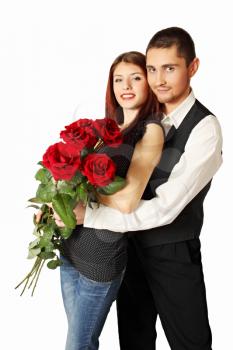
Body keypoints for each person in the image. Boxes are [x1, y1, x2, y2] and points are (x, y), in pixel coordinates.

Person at [75, 27, 223, 350]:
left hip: (174, 254)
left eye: (170, 68)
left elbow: (166, 207)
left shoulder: (205, 129)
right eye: (152, 69)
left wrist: (92, 217)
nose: (159, 80)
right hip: (130, 250)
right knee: (134, 342)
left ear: (192, 67)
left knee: (191, 343)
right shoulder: (142, 119)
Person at [46, 51, 164, 350]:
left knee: (78, 346)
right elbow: (74, 184)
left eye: (136, 78)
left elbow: (127, 201)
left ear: (149, 83)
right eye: (118, 79)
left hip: (100, 261)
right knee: (79, 343)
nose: (126, 85)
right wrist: (54, 204)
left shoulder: (149, 131)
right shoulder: (106, 129)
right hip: (70, 252)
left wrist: (82, 202)